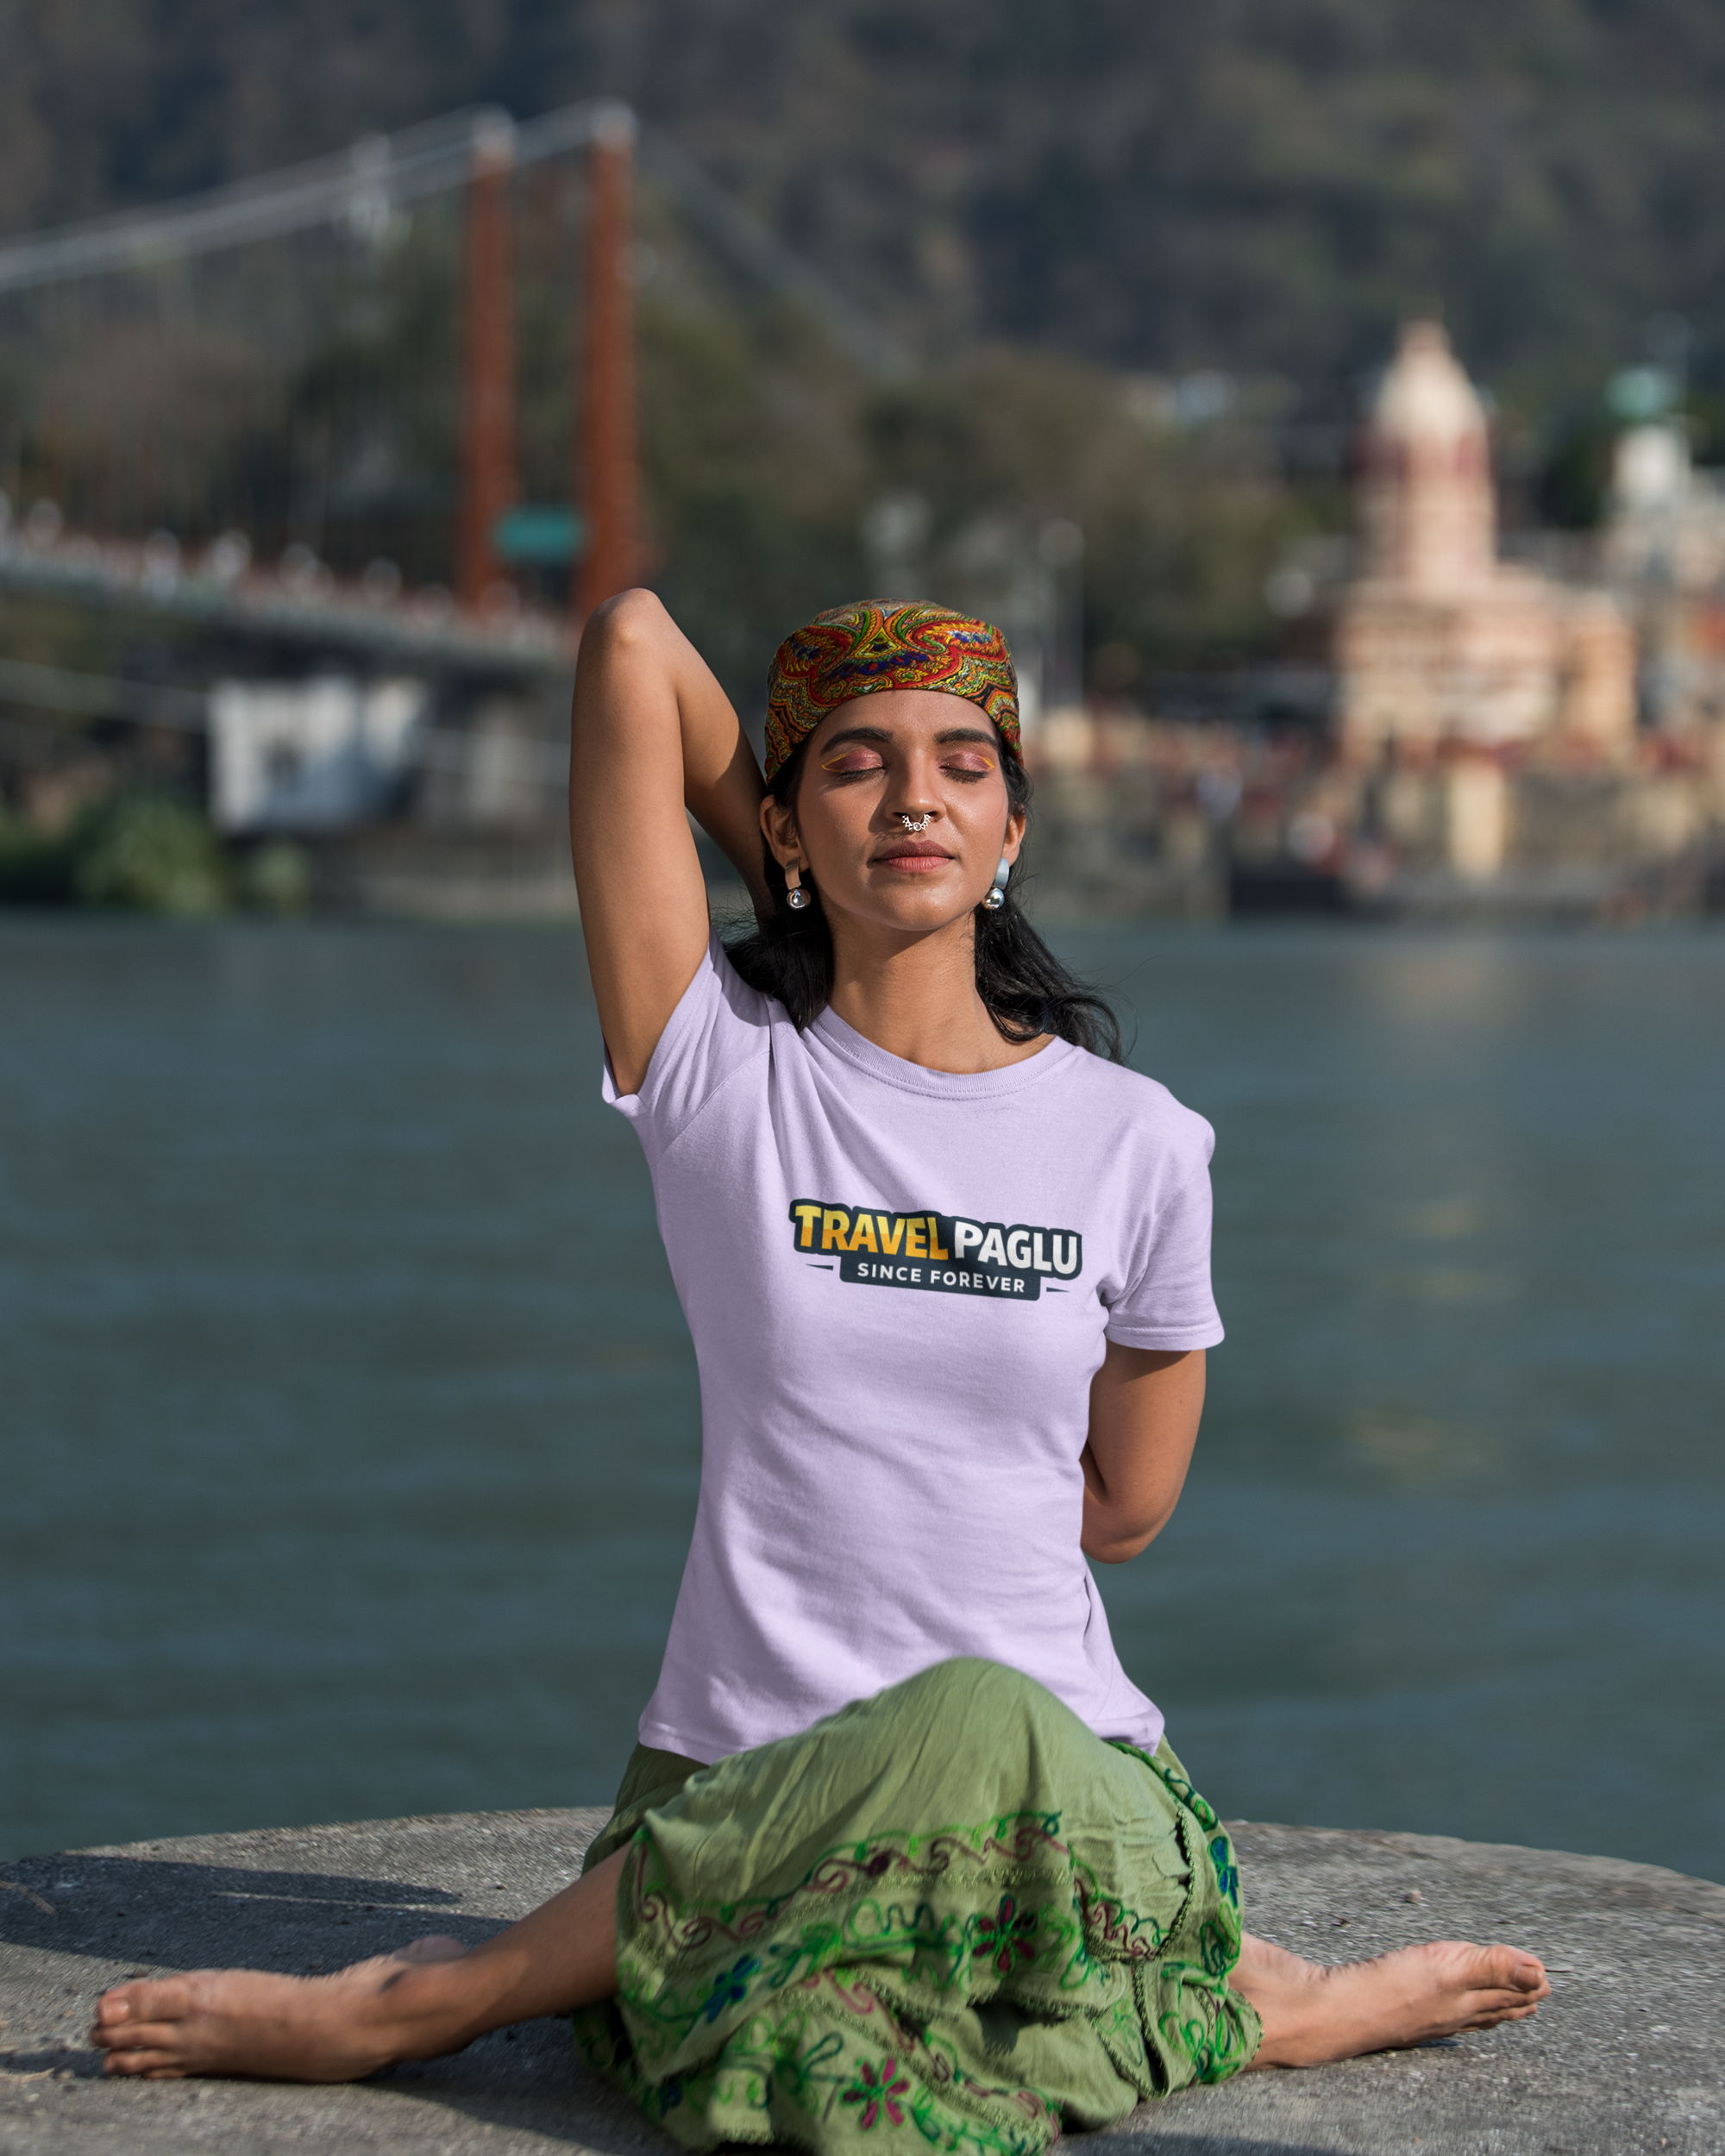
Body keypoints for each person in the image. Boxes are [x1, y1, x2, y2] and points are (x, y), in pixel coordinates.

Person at [91, 596, 1549, 2144]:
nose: (917, 795)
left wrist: (823, 824)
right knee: (834, 2064)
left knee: (977, 1713)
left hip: (1064, 1796)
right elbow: (634, 648)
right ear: (787, 820)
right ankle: (1250, 1995)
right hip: (738, 1796)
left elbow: (1124, 1509)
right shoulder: (721, 1068)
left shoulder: (1142, 1144)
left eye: (961, 764)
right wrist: (777, 849)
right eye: (859, 765)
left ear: (1013, 830)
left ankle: (431, 2000)